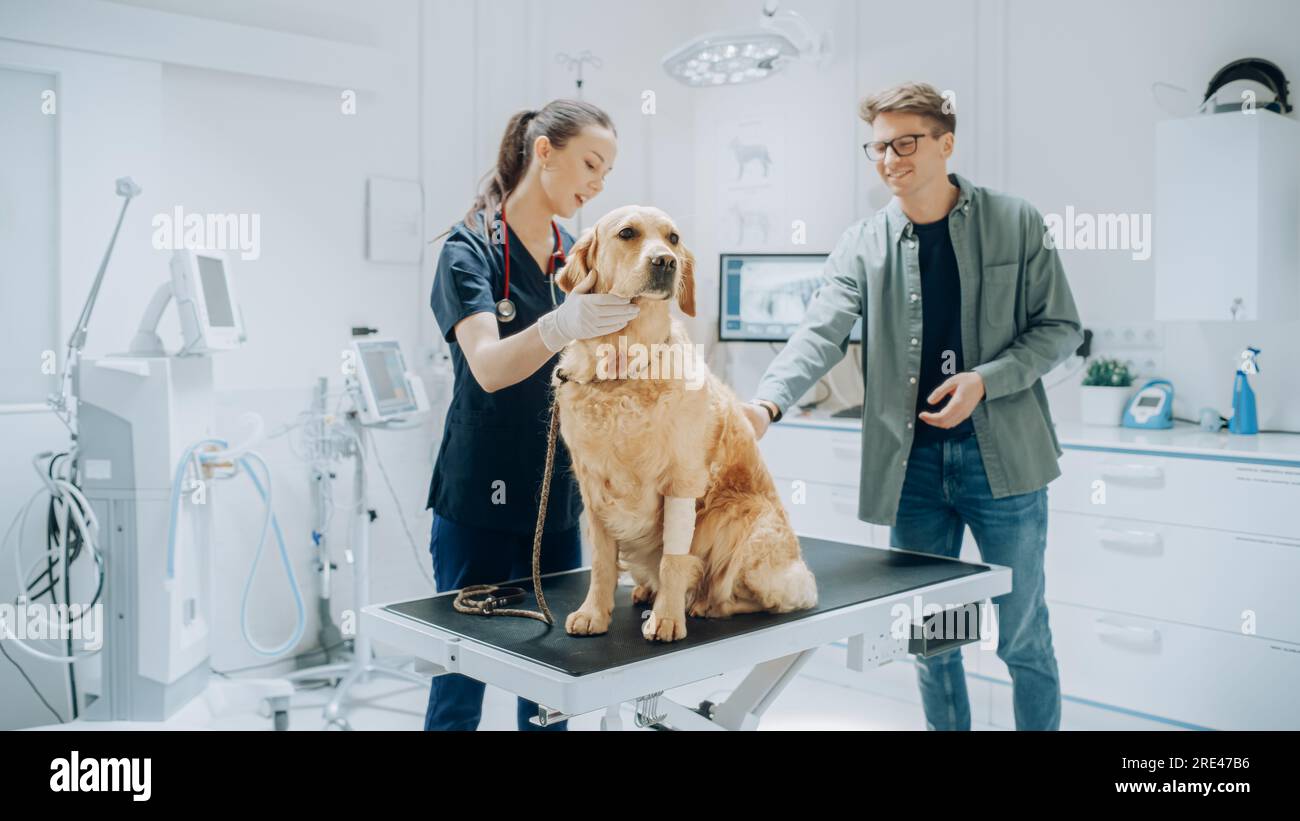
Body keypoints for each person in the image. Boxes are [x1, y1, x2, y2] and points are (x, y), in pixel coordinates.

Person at [741, 82, 1083, 731]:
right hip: (913, 472)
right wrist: (765, 405)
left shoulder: (1015, 221)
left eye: (905, 142)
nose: (890, 159)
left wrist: (986, 378)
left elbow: (1059, 325)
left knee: (1023, 638)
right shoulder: (861, 244)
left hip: (1004, 461)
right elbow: (819, 332)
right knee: (932, 637)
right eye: (877, 148)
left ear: (946, 143)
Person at [424, 99, 636, 731]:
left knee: (551, 684)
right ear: (544, 152)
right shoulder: (469, 251)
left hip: (558, 501)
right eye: (590, 166)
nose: (597, 186)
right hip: (479, 501)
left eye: (607, 175)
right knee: (461, 680)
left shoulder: (577, 252)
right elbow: (489, 367)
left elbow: (590, 364)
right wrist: (559, 324)